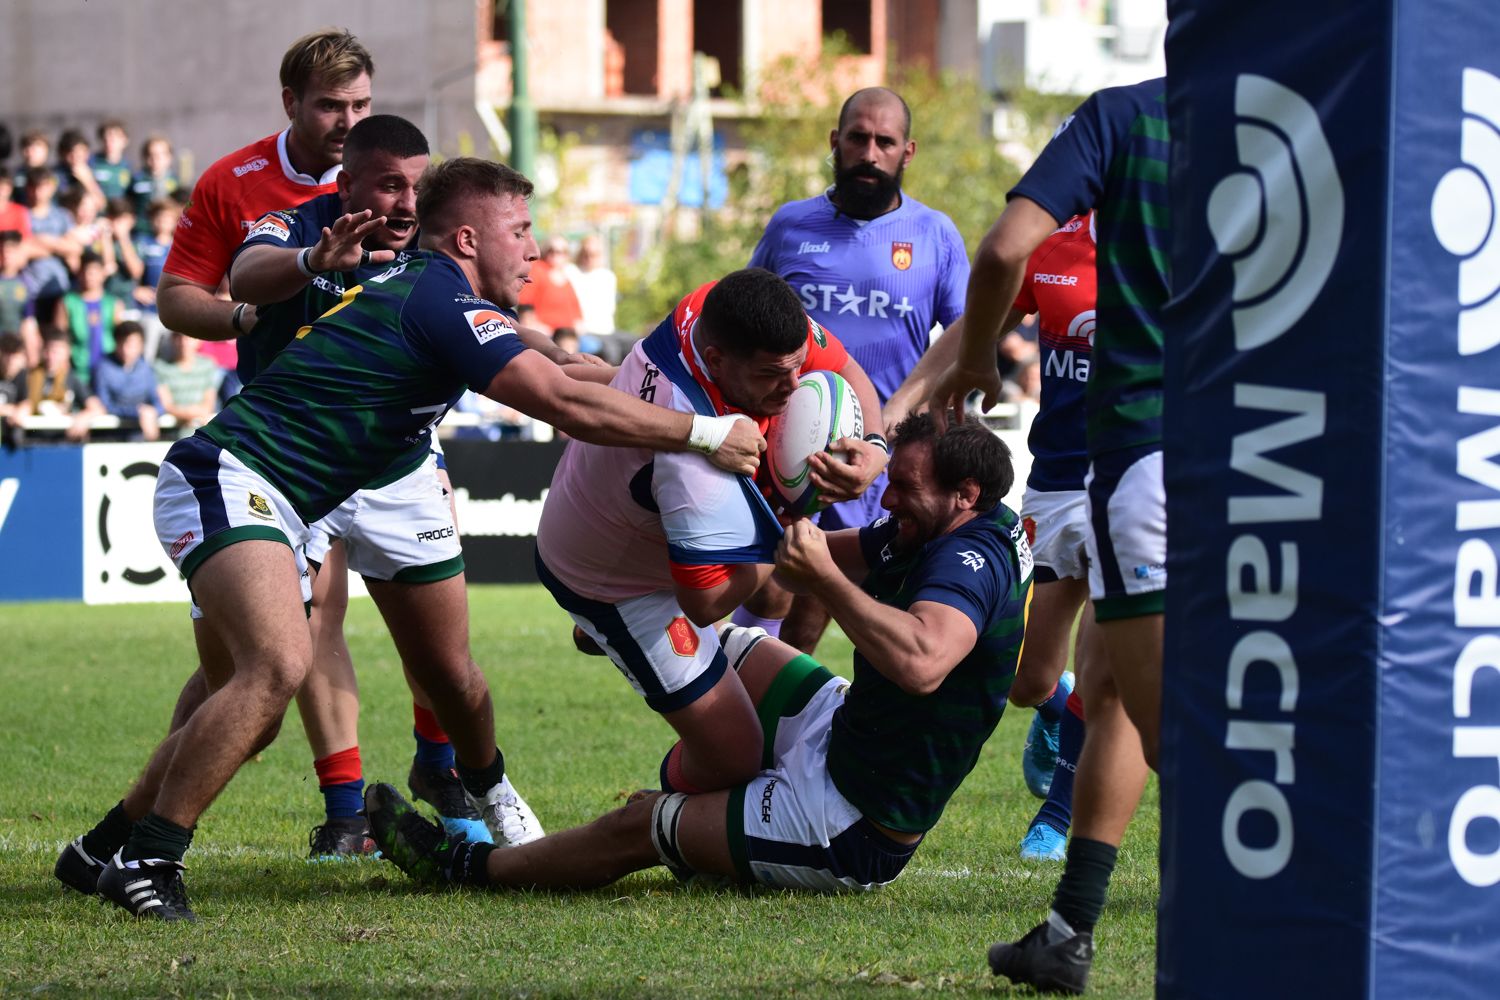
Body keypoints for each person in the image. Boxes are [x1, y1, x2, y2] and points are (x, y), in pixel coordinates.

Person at [67, 155, 764, 923]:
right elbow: (564, 403)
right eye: (521, 230)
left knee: (241, 691)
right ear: (469, 238)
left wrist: (665, 386)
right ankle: (151, 861)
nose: (533, 249)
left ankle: (104, 846)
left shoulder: (437, 294)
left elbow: (572, 373)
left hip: (265, 489)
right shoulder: (441, 300)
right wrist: (704, 433)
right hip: (230, 476)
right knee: (277, 666)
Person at [365, 413, 1033, 900]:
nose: (888, 500)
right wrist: (641, 601)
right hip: (843, 730)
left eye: (905, 487)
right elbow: (792, 569)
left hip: (851, 820)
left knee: (641, 820)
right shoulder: (942, 524)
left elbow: (922, 663)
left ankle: (469, 868)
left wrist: (825, 579)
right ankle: (716, 822)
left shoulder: (969, 561)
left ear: (966, 494)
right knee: (733, 650)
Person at [228, 114, 545, 852]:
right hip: (293, 460)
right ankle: (344, 811)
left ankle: (443, 771)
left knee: (436, 646)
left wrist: (579, 365)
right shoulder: (295, 225)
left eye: (416, 186)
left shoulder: (430, 259)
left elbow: (500, 333)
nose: (406, 203)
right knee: (288, 646)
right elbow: (240, 280)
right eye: (389, 187)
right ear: (346, 185)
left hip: (399, 462)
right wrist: (313, 260)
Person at [924, 78, 1169, 995]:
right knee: (1094, 690)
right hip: (1256, 461)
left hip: (1145, 459)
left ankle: (1296, 901)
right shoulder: (1305, 114)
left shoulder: (1128, 118)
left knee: (1157, 713)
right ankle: (1068, 929)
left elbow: (998, 248)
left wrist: (984, 354)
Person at [533, 268, 885, 800]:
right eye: (773, 375)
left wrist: (876, 448)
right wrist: (788, 522)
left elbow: (848, 369)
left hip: (614, 520)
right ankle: (648, 819)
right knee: (735, 756)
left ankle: (615, 644)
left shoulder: (712, 307)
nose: (794, 388)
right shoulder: (696, 459)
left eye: (796, 368)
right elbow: (705, 602)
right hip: (613, 585)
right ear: (717, 361)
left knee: (796, 700)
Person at [738, 86, 969, 653]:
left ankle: (771, 718)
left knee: (827, 609)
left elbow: (970, 336)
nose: (870, 152)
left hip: (884, 454)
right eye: (859, 138)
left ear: (906, 152)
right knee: (769, 588)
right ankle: (744, 713)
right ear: (835, 142)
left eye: (884, 142)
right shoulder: (791, 226)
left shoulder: (936, 235)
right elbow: (742, 319)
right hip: (786, 444)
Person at [155, 28, 374, 347]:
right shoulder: (228, 182)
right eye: (330, 106)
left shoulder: (400, 181)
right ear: (290, 102)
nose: (349, 123)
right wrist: (243, 317)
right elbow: (175, 298)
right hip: (275, 393)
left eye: (361, 105)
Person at [21, 327, 104, 441]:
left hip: (62, 442)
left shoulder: (71, 379)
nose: (51, 356)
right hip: (32, 442)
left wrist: (82, 418)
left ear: (67, 353)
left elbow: (97, 408)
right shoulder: (28, 377)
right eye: (48, 350)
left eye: (57, 352)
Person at [55, 250, 122, 382]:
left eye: (93, 272)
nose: (88, 276)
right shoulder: (67, 302)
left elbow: (120, 337)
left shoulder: (113, 303)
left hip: (107, 371)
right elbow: (59, 336)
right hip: (77, 371)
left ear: (103, 274)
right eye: (85, 271)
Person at [92, 320, 161, 441]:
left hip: (141, 435)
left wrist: (152, 412)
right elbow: (104, 405)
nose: (125, 350)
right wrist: (137, 412)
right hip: (111, 437)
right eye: (121, 344)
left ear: (141, 346)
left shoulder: (146, 369)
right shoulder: (103, 368)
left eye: (131, 345)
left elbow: (158, 402)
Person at [22, 167, 77, 304]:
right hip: (28, 286)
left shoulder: (62, 216)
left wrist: (43, 240)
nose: (38, 192)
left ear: (52, 187)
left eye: (42, 186)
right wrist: (58, 247)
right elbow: (21, 250)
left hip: (58, 285)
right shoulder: (21, 215)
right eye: (33, 187)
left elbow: (74, 248)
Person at [152, 331, 219, 430]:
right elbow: (166, 405)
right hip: (172, 430)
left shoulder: (208, 365)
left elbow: (209, 403)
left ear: (199, 341)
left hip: (200, 428)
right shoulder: (160, 367)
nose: (184, 342)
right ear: (172, 340)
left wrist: (194, 415)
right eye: (179, 337)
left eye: (189, 337)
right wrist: (188, 414)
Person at [517, 235, 583, 333]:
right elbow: (524, 305)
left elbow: (576, 311)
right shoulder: (537, 270)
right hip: (544, 333)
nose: (555, 255)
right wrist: (535, 325)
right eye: (551, 250)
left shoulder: (566, 278)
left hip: (567, 334)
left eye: (561, 252)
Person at [565, 233, 617, 336]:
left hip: (606, 330)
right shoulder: (570, 272)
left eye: (593, 254)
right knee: (610, 350)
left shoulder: (608, 276)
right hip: (583, 331)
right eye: (586, 254)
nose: (589, 258)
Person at [0, 231, 39, 364]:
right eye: (2, 250)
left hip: (15, 348)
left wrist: (31, 352)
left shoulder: (25, 284)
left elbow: (28, 321)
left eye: (10, 250)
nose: (6, 255)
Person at [129, 134, 180, 228]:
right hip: (142, 230)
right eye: (150, 155)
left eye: (160, 155)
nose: (155, 159)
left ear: (169, 157)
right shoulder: (136, 180)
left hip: (167, 233)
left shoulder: (175, 182)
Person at [56, 129, 106, 212]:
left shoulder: (93, 170)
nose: (75, 157)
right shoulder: (57, 174)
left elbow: (101, 205)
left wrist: (88, 181)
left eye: (79, 152)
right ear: (62, 153)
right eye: (71, 152)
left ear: (87, 153)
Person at [91, 121, 133, 202]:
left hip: (118, 212)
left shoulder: (128, 166)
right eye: (105, 138)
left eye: (114, 138)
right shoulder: (92, 162)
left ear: (125, 140)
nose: (109, 142)